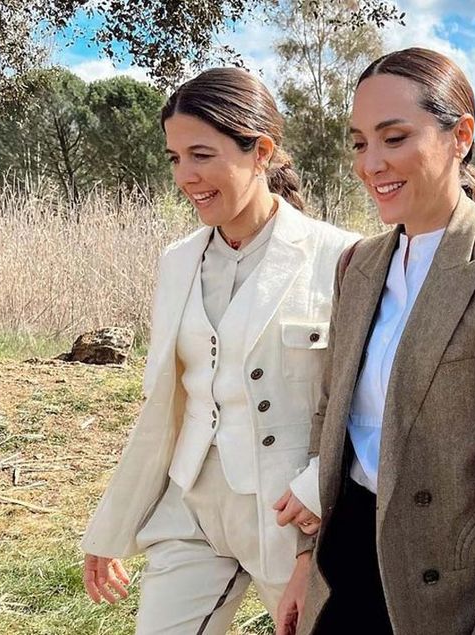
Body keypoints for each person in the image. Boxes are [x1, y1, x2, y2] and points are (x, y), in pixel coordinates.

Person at [274, 47, 475, 635]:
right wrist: (306, 562)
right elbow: (331, 415)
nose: (372, 163)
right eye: (360, 143)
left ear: (460, 135)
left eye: (394, 137)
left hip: (448, 588)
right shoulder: (358, 264)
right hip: (346, 562)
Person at [79, 67, 358, 635]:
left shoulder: (344, 257)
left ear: (261, 151)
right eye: (175, 158)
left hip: (290, 517)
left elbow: (366, 397)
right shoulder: (176, 261)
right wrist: (111, 527)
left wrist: (317, 494)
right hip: (190, 507)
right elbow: (162, 408)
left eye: (202, 155)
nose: (186, 176)